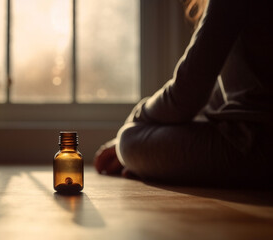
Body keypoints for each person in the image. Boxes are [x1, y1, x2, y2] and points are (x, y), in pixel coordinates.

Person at [94, 0, 273, 187]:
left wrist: (138, 118)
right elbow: (213, 97)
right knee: (132, 138)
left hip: (257, 146)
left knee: (128, 141)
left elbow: (186, 95)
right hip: (257, 139)